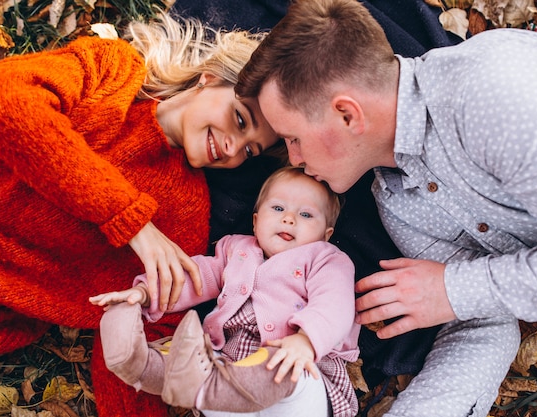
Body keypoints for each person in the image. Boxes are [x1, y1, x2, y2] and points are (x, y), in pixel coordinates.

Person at [235, 0, 537, 416]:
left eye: (293, 137)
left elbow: (465, 290)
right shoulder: (398, 201)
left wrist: (455, 288)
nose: (293, 159)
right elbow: (480, 315)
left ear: (347, 115)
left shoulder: (493, 96)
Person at [0, 10, 281, 417]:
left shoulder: (185, 215)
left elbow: (141, 334)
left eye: (250, 150)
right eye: (240, 120)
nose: (234, 148)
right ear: (211, 79)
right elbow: (8, 106)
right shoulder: (115, 71)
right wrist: (130, 219)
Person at [90, 166, 361, 417]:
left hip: (299, 373)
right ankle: (142, 364)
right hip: (233, 370)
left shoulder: (326, 259)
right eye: (278, 208)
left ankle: (200, 385)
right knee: (204, 366)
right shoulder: (236, 250)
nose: (289, 219)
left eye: (305, 214)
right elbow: (197, 276)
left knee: (288, 372)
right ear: (255, 221)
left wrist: (306, 342)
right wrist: (146, 292)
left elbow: (335, 304)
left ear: (326, 234)